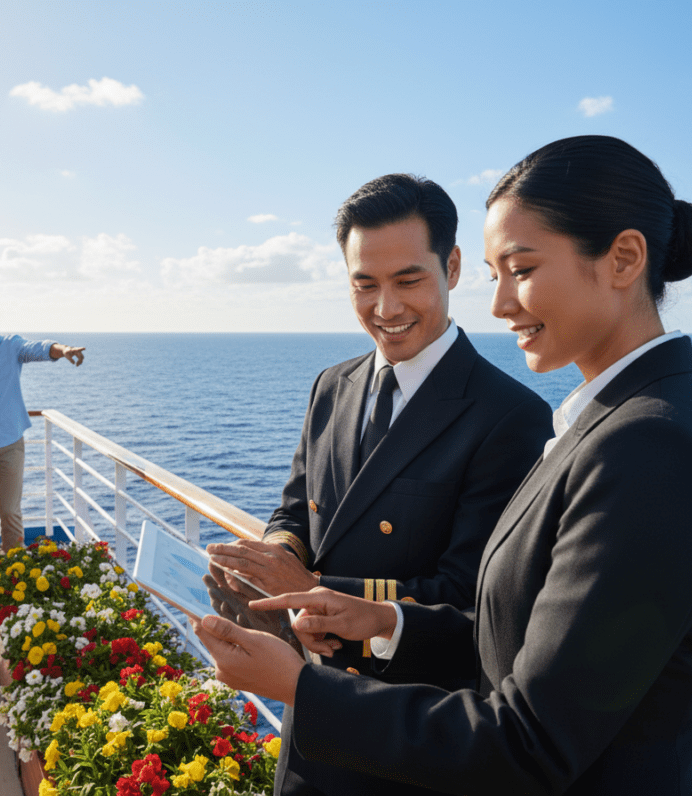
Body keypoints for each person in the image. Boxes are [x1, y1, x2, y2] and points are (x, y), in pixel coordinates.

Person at [197, 136, 692, 796]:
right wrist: (380, 620)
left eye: (521, 270)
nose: (499, 306)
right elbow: (516, 629)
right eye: (498, 277)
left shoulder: (654, 448)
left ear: (624, 259)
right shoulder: (620, 422)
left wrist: (297, 685)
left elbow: (530, 742)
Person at [207, 174, 553, 795]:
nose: (385, 309)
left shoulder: (508, 417)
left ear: (451, 267)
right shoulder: (332, 385)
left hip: (407, 736)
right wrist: (271, 562)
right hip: (311, 711)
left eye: (408, 281)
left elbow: (474, 599)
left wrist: (313, 590)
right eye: (364, 285)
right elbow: (297, 509)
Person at [0, 295, 85, 601]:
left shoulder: (10, 346)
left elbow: (38, 348)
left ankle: (15, 575)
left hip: (10, 444)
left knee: (10, 512)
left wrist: (63, 351)